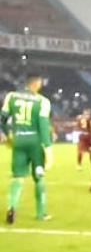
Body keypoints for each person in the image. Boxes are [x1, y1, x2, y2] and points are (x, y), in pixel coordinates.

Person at [3, 73, 53, 224]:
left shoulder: (11, 96)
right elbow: (43, 127)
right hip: (35, 142)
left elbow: (2, 118)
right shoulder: (43, 101)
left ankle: (11, 207)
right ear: (37, 83)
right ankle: (41, 213)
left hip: (18, 140)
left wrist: (8, 135)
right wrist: (48, 150)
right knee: (39, 177)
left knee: (17, 177)